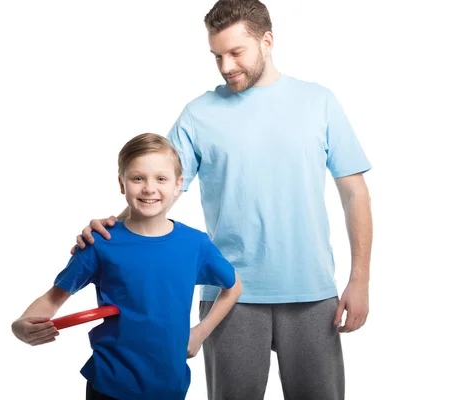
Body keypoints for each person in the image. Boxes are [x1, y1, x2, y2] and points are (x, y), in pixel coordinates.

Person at [72, 1, 373, 399]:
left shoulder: (319, 102)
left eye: (236, 52)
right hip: (230, 297)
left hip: (312, 292)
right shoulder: (199, 114)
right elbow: (158, 190)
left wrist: (360, 279)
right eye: (217, 56)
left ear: (267, 41)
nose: (226, 66)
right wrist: (112, 232)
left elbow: (354, 193)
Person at [11, 133, 242, 400]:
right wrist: (20, 325)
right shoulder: (101, 243)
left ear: (178, 185)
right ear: (122, 184)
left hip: (170, 386)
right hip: (109, 385)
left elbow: (233, 286)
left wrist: (200, 333)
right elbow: (53, 298)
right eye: (137, 178)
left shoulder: (195, 244)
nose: (149, 188)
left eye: (161, 179)